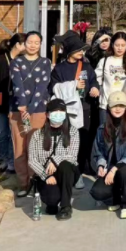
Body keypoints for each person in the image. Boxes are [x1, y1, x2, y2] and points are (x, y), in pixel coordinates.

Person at [49, 32, 99, 186]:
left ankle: (80, 170)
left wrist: (95, 88)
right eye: (78, 50)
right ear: (69, 50)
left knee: (83, 141)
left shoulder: (86, 66)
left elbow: (93, 80)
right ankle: (69, 170)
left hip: (85, 108)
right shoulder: (59, 69)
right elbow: (53, 88)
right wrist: (73, 85)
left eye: (82, 50)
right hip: (67, 110)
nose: (81, 52)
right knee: (67, 141)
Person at [9, 31, 53, 197]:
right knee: (19, 148)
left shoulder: (45, 62)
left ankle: (36, 182)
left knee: (35, 147)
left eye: (36, 42)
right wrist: (22, 106)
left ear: (41, 44)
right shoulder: (16, 62)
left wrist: (30, 109)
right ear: (24, 44)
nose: (33, 45)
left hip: (38, 110)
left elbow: (42, 87)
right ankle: (23, 183)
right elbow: (17, 85)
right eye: (29, 42)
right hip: (17, 110)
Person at [90, 92, 126, 219]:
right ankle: (116, 199)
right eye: (114, 105)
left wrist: (114, 169)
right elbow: (98, 152)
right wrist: (101, 166)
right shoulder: (102, 129)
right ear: (109, 107)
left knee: (124, 172)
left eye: (121, 105)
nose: (118, 108)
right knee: (97, 192)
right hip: (110, 171)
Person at [28, 99, 80, 220]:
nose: (58, 114)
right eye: (55, 111)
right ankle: (52, 202)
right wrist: (45, 176)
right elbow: (32, 160)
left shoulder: (73, 132)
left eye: (61, 111)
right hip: (46, 173)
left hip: (66, 173)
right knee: (51, 199)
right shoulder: (37, 135)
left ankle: (66, 206)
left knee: (66, 165)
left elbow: (72, 156)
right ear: (47, 114)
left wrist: (55, 161)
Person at [0, 33, 26, 176]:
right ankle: (5, 160)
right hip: (0, 103)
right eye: (26, 43)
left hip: (17, 104)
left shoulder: (24, 61)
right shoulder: (0, 61)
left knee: (14, 134)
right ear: (18, 45)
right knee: (2, 134)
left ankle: (13, 163)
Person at [95, 32, 126, 125]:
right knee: (105, 131)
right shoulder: (104, 61)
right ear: (112, 45)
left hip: (124, 105)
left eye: (123, 45)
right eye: (117, 45)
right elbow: (96, 79)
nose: (120, 48)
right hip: (106, 105)